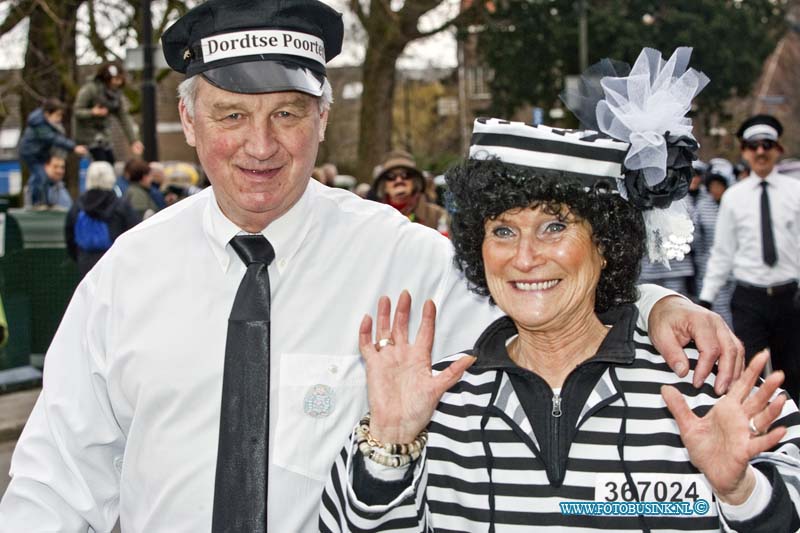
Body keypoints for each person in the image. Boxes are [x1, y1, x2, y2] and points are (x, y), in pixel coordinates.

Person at [0, 6, 741, 532]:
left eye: (288, 112)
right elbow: (58, 476)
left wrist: (648, 305)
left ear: (323, 117)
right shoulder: (126, 275)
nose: (261, 145)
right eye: (231, 115)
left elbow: (538, 287)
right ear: (190, 121)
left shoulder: (405, 256)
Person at [321, 107, 800, 532]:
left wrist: (743, 494)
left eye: (554, 227)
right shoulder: (434, 401)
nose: (525, 258)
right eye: (503, 231)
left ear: (606, 245)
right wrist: (389, 450)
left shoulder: (711, 384)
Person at [700, 115, 800, 402]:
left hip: (789, 299)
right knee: (750, 375)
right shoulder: (733, 197)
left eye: (767, 145)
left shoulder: (795, 192)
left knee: (792, 373)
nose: (760, 152)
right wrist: (707, 298)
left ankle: (791, 435)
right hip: (748, 298)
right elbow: (722, 251)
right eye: (753, 145)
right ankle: (754, 435)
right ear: (744, 151)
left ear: (778, 150)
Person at [65, 161, 140, 279]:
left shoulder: (78, 206)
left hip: (86, 263)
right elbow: (134, 233)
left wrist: (80, 256)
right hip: (115, 264)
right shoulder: (121, 205)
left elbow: (70, 237)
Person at [18, 98, 87, 206]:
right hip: (31, 154)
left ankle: (45, 202)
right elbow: (53, 139)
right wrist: (73, 147)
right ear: (47, 114)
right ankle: (37, 203)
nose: (59, 119)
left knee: (42, 178)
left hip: (40, 153)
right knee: (41, 176)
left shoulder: (45, 122)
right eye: (57, 115)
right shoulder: (39, 125)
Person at [74, 62, 144, 164]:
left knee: (110, 162)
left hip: (103, 136)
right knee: (101, 163)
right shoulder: (90, 89)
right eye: (116, 79)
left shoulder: (116, 96)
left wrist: (133, 140)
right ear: (107, 78)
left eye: (120, 79)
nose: (118, 83)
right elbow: (77, 111)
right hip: (88, 136)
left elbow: (124, 118)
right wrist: (93, 112)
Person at [693, 159, 734, 325]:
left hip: (735, 268)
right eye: (713, 185)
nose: (716, 189)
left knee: (730, 307)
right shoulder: (703, 206)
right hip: (707, 266)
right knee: (714, 308)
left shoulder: (733, 204)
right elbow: (697, 238)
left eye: (719, 185)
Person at [373, 150, 450, 233]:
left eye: (406, 175)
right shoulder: (374, 217)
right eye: (391, 176)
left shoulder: (438, 216)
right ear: (384, 185)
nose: (399, 180)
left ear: (415, 181)